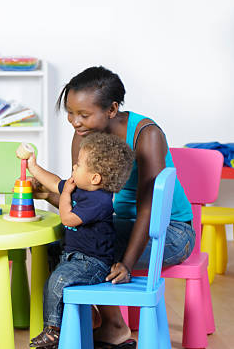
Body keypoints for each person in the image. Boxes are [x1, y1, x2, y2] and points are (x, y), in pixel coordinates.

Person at [34, 66, 195, 349]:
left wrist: (128, 264)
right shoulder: (84, 135)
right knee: (59, 241)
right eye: (71, 112)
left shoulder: (147, 134)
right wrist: (48, 194)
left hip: (170, 232)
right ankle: (101, 323)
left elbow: (149, 208)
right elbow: (83, 198)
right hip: (120, 224)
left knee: (87, 250)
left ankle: (107, 326)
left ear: (112, 109)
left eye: (83, 114)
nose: (74, 121)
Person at [17, 132, 134, 349]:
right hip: (76, 257)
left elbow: (67, 217)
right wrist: (33, 166)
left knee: (58, 280)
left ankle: (53, 330)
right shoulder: (81, 187)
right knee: (50, 253)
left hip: (93, 264)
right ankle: (85, 318)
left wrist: (64, 195)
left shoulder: (100, 201)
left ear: (95, 178)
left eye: (78, 165)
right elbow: (54, 182)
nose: (73, 168)